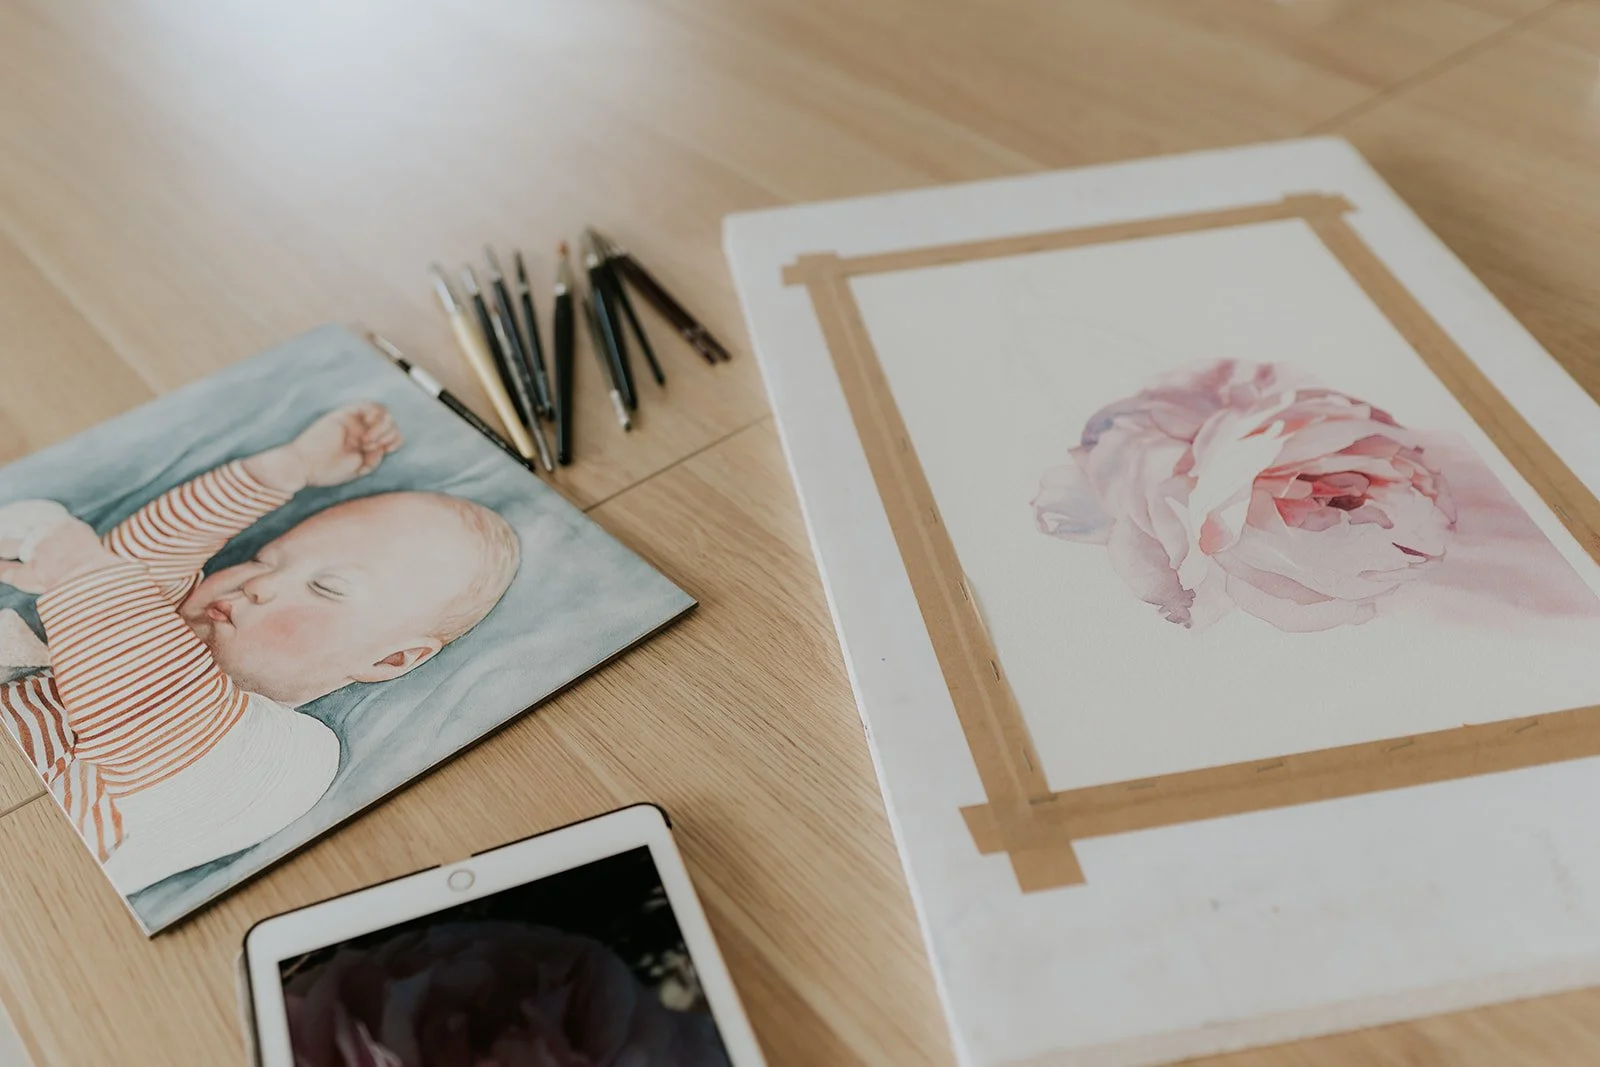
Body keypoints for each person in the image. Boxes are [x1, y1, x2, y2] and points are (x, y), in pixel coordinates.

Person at [0, 403, 520, 893]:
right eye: (266, 560)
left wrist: (73, 565)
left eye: (327, 588)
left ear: (390, 659)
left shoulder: (286, 760)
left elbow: (149, 708)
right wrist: (288, 467)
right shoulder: (157, 620)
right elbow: (132, 567)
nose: (257, 584)